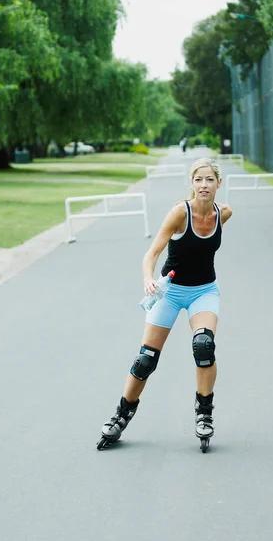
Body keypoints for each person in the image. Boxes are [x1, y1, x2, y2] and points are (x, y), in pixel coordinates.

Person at [97, 157, 232, 449]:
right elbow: (151, 253)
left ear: (219, 183)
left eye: (209, 180)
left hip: (204, 291)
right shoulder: (179, 214)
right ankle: (121, 414)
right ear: (192, 183)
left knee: (204, 345)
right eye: (198, 180)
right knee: (146, 359)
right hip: (169, 292)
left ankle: (204, 414)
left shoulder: (225, 213)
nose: (204, 185)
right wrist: (148, 279)